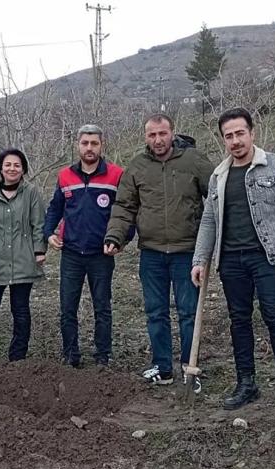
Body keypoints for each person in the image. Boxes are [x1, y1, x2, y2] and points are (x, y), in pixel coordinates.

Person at [191, 108, 275, 414]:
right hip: (231, 260)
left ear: (252, 133)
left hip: (267, 256)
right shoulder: (218, 176)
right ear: (223, 139)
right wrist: (200, 259)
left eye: (240, 133)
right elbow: (209, 221)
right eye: (228, 136)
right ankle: (246, 383)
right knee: (239, 320)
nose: (235, 141)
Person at [104, 113, 214, 385]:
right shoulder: (137, 166)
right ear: (146, 137)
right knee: (156, 312)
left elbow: (215, 198)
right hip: (151, 253)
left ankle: (190, 368)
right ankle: (162, 367)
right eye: (152, 135)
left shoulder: (194, 161)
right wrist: (115, 236)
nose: (158, 140)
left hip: (187, 252)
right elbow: (124, 206)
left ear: (172, 133)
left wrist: (214, 240)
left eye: (162, 133)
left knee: (189, 313)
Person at [43, 124, 126, 367]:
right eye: (85, 143)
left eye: (94, 143)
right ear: (77, 145)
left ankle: (103, 356)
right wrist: (48, 233)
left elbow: (126, 211)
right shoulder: (65, 176)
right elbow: (55, 209)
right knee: (68, 308)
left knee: (102, 307)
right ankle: (71, 355)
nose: (89, 148)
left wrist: (121, 239)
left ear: (102, 145)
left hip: (101, 253)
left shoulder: (116, 175)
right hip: (71, 253)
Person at [0, 148, 46, 361]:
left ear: (23, 169)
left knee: (20, 310)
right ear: (1, 168)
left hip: (24, 259)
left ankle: (17, 358)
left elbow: (38, 223)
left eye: (17, 165)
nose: (12, 169)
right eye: (8, 165)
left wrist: (39, 250)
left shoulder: (31, 192)